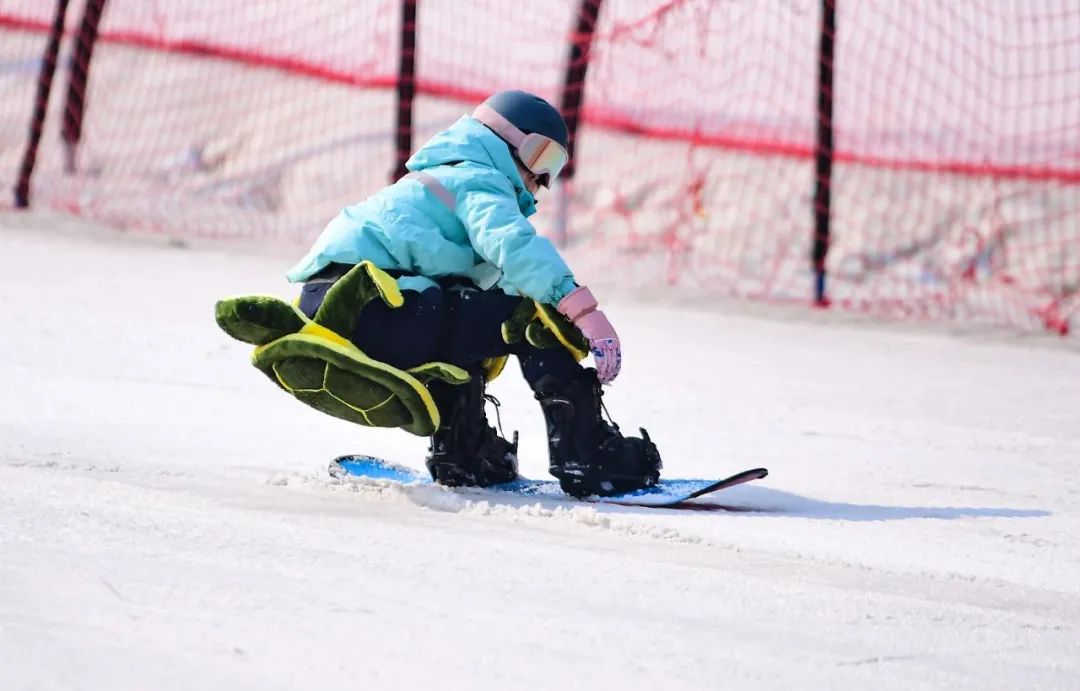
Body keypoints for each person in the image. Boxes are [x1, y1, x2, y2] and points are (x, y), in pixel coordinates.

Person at [285, 90, 661, 497]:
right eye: (544, 160)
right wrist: (581, 310)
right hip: (369, 303)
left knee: (469, 309)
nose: (544, 181)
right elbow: (512, 246)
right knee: (535, 319)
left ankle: (464, 453)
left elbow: (491, 284)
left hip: (337, 306)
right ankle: (587, 456)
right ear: (516, 143)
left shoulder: (441, 178)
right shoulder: (478, 176)